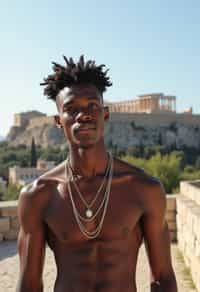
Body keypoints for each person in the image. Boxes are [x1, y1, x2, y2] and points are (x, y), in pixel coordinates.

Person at [17, 55, 177, 292]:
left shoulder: (143, 189)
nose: (84, 115)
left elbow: (163, 276)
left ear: (106, 114)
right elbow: (29, 284)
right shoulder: (38, 195)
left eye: (92, 105)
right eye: (71, 109)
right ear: (58, 121)